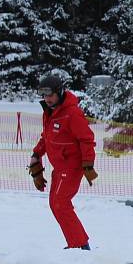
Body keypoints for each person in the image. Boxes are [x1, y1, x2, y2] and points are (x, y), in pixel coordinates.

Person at [28, 74, 98, 250]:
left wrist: (88, 164)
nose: (47, 99)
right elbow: (48, 137)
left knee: (60, 203)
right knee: (55, 204)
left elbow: (87, 139)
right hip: (59, 167)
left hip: (72, 167)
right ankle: (77, 243)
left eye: (50, 94)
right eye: (44, 95)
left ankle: (80, 245)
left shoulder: (72, 113)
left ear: (59, 92)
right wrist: (36, 155)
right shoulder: (50, 113)